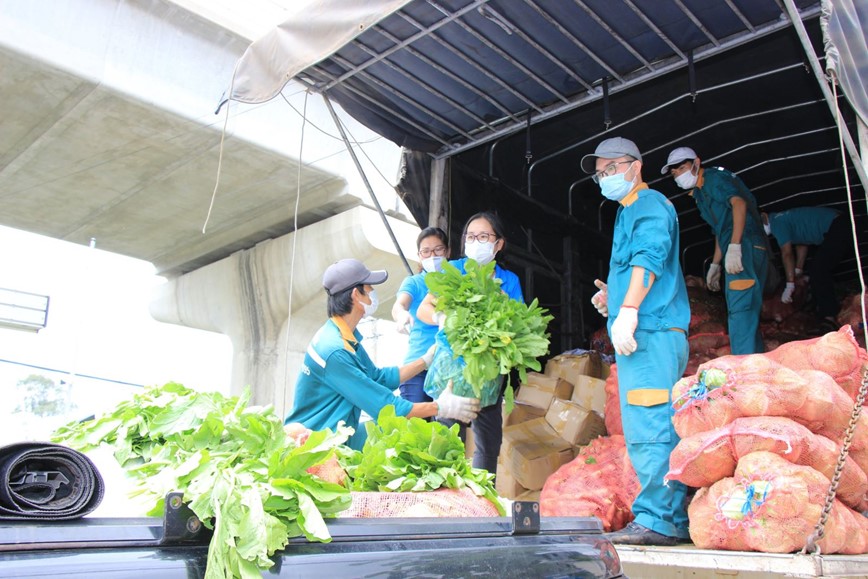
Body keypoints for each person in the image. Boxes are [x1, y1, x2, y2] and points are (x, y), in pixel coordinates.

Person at [582, 137, 691, 546]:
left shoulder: (647, 205)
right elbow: (637, 269)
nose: (604, 177)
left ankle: (661, 520)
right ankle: (669, 515)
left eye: (612, 168)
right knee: (653, 422)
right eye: (600, 172)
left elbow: (650, 257)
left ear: (635, 166)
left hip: (651, 333)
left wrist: (629, 311)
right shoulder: (628, 211)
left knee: (651, 425)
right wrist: (614, 297)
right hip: (645, 332)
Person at [284, 258, 480, 450]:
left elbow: (377, 378)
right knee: (403, 434)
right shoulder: (334, 351)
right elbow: (386, 407)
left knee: (399, 432)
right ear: (355, 295)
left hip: (337, 430)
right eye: (369, 290)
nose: (373, 296)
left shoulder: (343, 335)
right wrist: (439, 407)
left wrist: (425, 360)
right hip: (317, 443)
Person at [416, 212, 523, 475]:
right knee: (447, 441)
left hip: (487, 375)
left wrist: (502, 305)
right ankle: (446, 505)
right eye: (471, 236)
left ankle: (483, 506)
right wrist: (441, 317)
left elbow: (520, 325)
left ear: (498, 244)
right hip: (452, 373)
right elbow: (423, 309)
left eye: (484, 236)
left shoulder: (509, 281)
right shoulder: (454, 269)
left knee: (488, 445)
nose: (476, 241)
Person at [662, 146, 767, 354]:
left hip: (744, 245)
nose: (678, 176)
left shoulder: (712, 180)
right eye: (675, 173)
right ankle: (757, 362)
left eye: (682, 168)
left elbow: (739, 205)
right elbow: (720, 231)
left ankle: (743, 369)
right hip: (739, 245)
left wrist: (736, 246)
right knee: (747, 310)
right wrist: (715, 264)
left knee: (740, 309)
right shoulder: (701, 195)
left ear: (697, 163)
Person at [391, 227, 450, 404]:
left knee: (448, 428)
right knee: (415, 426)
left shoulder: (456, 281)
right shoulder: (414, 282)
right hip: (417, 366)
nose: (432, 255)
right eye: (426, 251)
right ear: (419, 255)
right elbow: (399, 305)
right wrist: (401, 314)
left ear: (447, 251)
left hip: (448, 367)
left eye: (438, 249)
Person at [761, 207, 845, 328]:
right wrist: (798, 270)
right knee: (817, 269)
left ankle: (829, 318)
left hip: (838, 224)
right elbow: (802, 242)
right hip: (838, 223)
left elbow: (787, 253)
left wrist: (790, 285)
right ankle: (823, 312)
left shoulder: (777, 222)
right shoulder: (784, 218)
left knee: (819, 270)